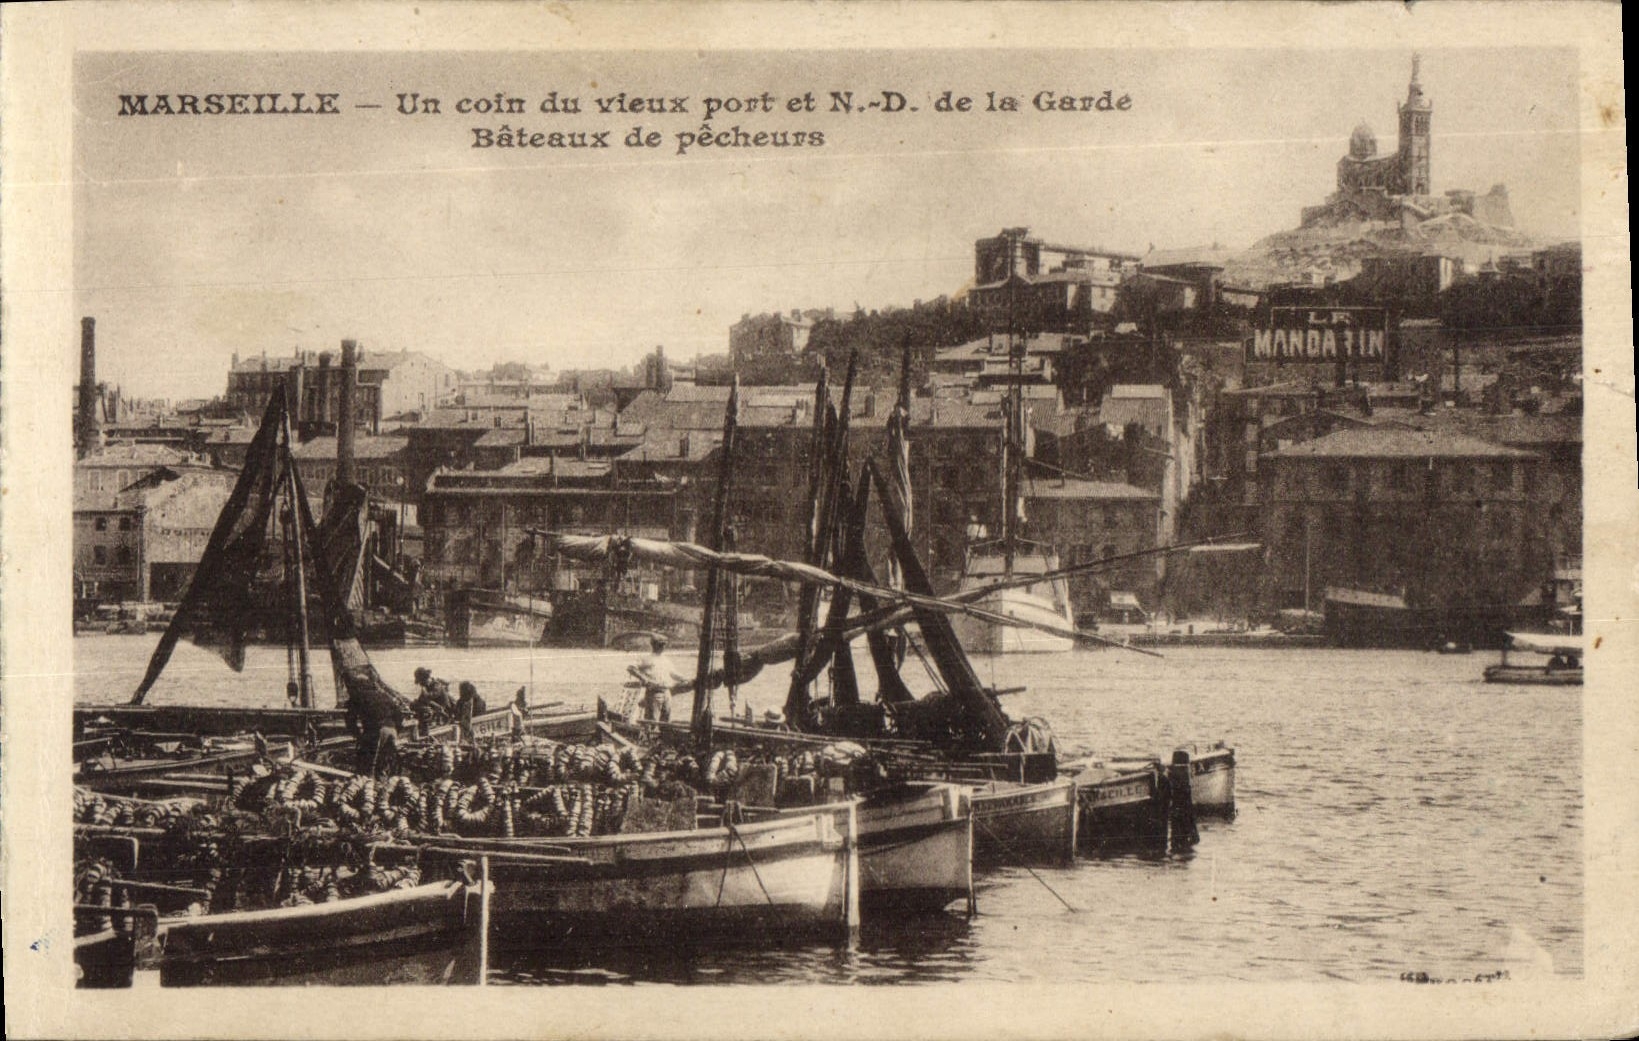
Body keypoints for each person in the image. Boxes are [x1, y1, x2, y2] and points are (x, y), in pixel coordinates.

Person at [627, 635, 684, 722]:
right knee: (652, 719)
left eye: (664, 645)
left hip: (666, 692)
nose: (663, 647)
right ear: (653, 645)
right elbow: (631, 668)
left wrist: (684, 679)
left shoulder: (665, 660)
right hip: (654, 693)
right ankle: (649, 735)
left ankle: (663, 735)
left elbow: (673, 673)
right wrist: (644, 679)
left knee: (666, 719)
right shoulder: (646, 659)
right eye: (660, 644)